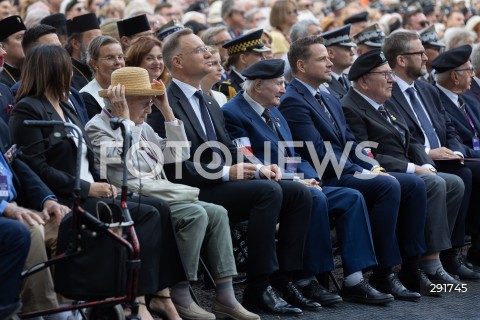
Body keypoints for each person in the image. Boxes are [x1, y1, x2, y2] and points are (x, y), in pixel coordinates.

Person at [9, 45, 187, 320]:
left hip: (90, 192)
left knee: (154, 212)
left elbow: (88, 157)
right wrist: (87, 188)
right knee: (147, 214)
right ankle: (133, 301)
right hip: (65, 197)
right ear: (52, 71)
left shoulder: (67, 104)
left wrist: (98, 183)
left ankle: (149, 297)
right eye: (66, 68)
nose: (71, 74)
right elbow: (35, 167)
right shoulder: (28, 108)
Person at [148, 28, 315, 316]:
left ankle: (284, 279)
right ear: (177, 62)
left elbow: (229, 147)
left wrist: (260, 167)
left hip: (219, 181)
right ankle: (258, 286)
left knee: (298, 192)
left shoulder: (210, 99)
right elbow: (174, 165)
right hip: (190, 187)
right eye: (199, 50)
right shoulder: (161, 103)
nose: (209, 53)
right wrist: (227, 173)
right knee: (267, 191)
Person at [85, 66, 259, 320]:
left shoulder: (141, 125)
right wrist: (125, 121)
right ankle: (178, 292)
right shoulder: (98, 126)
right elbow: (122, 159)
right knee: (196, 214)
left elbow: (178, 154)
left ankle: (225, 296)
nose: (149, 108)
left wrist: (167, 111)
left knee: (218, 212)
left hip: (161, 193)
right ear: (124, 102)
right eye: (145, 103)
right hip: (135, 197)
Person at [279, 35, 429, 302]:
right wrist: (358, 171)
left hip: (345, 168)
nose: (330, 62)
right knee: (386, 185)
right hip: (325, 174)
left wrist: (372, 166)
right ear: (301, 66)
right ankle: (382, 272)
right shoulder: (294, 100)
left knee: (413, 184)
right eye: (322, 58)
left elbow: (350, 141)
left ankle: (411, 266)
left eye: (328, 57)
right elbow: (316, 150)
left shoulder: (326, 97)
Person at [223, 59, 384, 305]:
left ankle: (354, 279)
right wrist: (297, 179)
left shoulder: (274, 111)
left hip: (297, 182)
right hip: (271, 187)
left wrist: (311, 176)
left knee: (351, 197)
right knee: (314, 197)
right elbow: (250, 160)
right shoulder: (234, 113)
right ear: (257, 86)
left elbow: (293, 155)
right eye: (277, 84)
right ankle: (307, 280)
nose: (283, 89)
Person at [341, 49, 470, 292]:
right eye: (385, 75)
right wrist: (413, 168)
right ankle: (413, 266)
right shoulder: (351, 107)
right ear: (364, 80)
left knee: (454, 182)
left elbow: (411, 140)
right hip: (382, 171)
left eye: (391, 74)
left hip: (407, 168)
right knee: (430, 183)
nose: (391, 80)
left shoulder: (383, 102)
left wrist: (427, 165)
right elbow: (363, 153)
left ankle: (434, 256)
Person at [383, 30, 479, 279]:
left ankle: (451, 253)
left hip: (444, 158)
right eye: (419, 53)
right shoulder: (387, 91)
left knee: (464, 171)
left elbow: (448, 128)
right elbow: (395, 139)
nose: (426, 58)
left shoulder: (427, 90)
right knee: (462, 177)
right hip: (416, 161)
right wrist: (428, 152)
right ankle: (444, 256)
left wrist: (454, 150)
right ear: (402, 59)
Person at [431, 44, 480, 270]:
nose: (472, 74)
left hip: (471, 156)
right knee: (468, 174)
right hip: (453, 159)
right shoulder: (436, 99)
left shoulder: (466, 99)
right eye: (469, 70)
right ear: (454, 75)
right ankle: (460, 251)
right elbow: (452, 140)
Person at [81, 35, 125, 119]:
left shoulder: (128, 88)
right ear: (94, 64)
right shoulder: (86, 97)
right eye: (110, 58)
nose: (118, 62)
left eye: (120, 57)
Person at [218, 29, 270, 100]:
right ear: (243, 58)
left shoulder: (261, 80)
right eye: (258, 55)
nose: (264, 58)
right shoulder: (228, 87)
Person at [66, 13, 103, 90]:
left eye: (101, 39)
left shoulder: (100, 67)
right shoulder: (68, 76)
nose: (99, 45)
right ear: (76, 44)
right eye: (94, 40)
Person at [322, 24, 355, 100]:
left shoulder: (348, 79)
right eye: (347, 49)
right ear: (330, 53)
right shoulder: (322, 84)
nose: (352, 53)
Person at [0, 15, 26, 88]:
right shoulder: (2, 81)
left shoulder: (32, 69)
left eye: (26, 37)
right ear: (3, 46)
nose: (26, 42)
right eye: (20, 38)